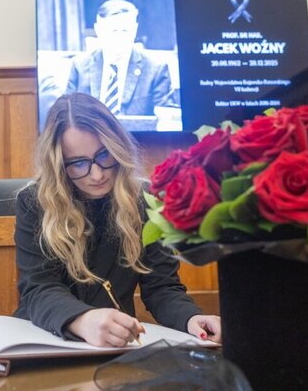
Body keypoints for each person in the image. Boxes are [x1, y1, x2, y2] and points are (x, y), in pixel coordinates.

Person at [14, 93, 220, 347]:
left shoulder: (146, 199)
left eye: (104, 155)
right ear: (58, 164)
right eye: (78, 163)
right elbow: (38, 289)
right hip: (45, 340)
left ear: (118, 148)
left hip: (115, 346)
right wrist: (82, 319)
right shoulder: (34, 202)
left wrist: (191, 318)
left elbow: (162, 288)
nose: (97, 174)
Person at [65, 0, 175, 117]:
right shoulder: (80, 66)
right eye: (113, 31)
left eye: (125, 31)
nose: (119, 37)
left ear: (135, 30)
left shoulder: (156, 70)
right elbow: (66, 113)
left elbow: (165, 119)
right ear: (98, 30)